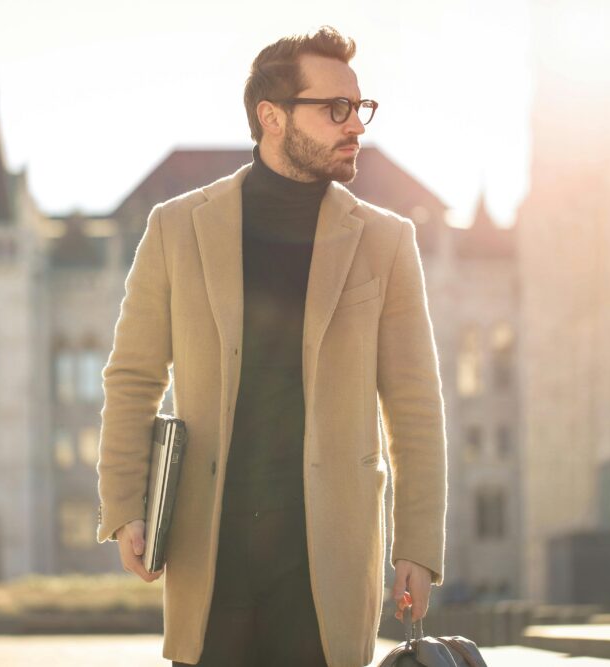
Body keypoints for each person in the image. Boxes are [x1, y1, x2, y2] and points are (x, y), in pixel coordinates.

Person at [96, 25, 447, 667]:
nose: (356, 125)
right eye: (335, 108)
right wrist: (124, 506)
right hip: (210, 550)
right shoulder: (176, 228)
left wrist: (417, 546)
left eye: (360, 107)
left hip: (327, 560)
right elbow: (133, 376)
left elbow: (415, 405)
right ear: (272, 117)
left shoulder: (386, 241)